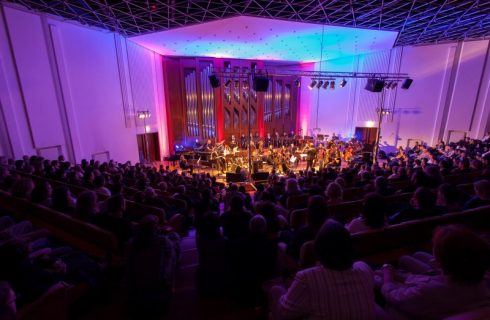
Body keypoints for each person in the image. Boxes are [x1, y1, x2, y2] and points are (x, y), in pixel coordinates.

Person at [270, 220, 376, 320]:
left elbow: (285, 312)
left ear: (319, 250)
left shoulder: (306, 278)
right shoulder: (365, 268)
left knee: (275, 290)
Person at [381, 225, 490, 319]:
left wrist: (387, 273)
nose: (433, 247)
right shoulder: (482, 278)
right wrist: (404, 276)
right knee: (414, 256)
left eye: (435, 246)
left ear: (441, 262)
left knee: (391, 306)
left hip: (422, 308)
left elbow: (392, 295)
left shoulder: (427, 290)